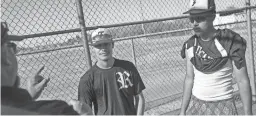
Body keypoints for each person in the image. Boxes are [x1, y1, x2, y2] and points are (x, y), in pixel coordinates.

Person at [1, 22, 92, 115]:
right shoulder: (57, 111)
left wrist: (29, 96)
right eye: (12, 46)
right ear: (5, 55)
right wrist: (84, 113)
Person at [179, 0, 253, 115]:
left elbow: (242, 80)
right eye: (191, 18)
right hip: (197, 105)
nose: (194, 23)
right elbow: (189, 78)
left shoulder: (230, 41)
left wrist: (248, 113)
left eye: (199, 17)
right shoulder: (190, 45)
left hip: (223, 105)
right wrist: (183, 111)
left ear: (212, 16)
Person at [78, 28, 146, 115]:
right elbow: (84, 112)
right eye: (99, 45)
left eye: (106, 44)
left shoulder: (128, 67)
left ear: (112, 44)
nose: (103, 48)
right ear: (93, 48)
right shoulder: (87, 79)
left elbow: (139, 98)